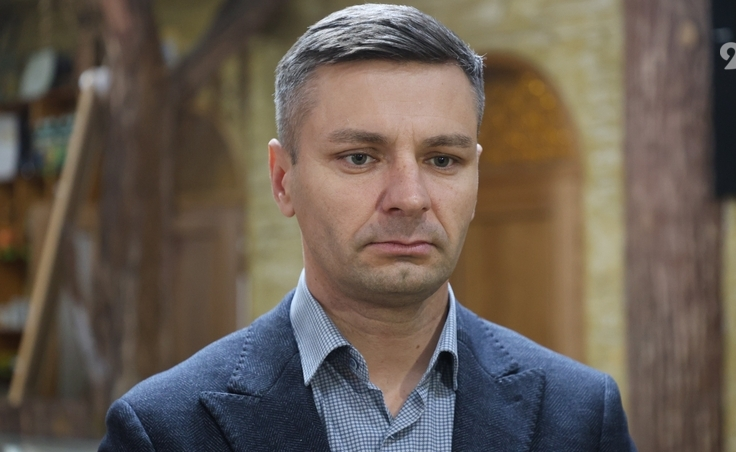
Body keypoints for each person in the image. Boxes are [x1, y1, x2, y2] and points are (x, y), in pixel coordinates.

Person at [100, 4, 636, 451]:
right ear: (283, 180)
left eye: (442, 160)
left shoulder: (581, 418)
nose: (410, 198)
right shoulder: (164, 431)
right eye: (360, 157)